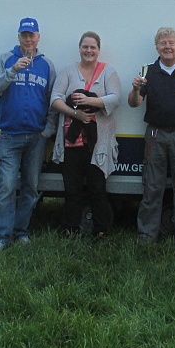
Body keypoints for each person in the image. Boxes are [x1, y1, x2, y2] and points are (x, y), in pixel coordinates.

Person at [0, 18, 57, 251]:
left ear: (38, 37)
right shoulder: (6, 59)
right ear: (18, 37)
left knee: (31, 187)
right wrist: (13, 70)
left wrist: (47, 131)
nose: (28, 39)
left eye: (31, 35)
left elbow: (53, 101)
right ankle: (1, 236)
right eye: (24, 35)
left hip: (36, 137)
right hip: (10, 136)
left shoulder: (46, 65)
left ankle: (21, 231)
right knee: (6, 186)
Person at [128, 26, 175, 243]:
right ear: (157, 47)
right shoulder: (148, 71)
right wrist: (135, 89)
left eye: (171, 43)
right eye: (163, 43)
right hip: (156, 134)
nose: (167, 47)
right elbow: (134, 103)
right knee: (152, 187)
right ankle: (146, 235)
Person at [50, 31, 121, 238]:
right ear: (80, 49)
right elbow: (55, 99)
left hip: (98, 142)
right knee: (71, 188)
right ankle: (70, 228)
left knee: (97, 187)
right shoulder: (68, 72)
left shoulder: (108, 72)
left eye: (93, 47)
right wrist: (76, 114)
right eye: (85, 47)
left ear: (98, 50)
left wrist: (88, 101)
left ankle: (101, 230)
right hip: (71, 141)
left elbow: (115, 98)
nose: (89, 51)